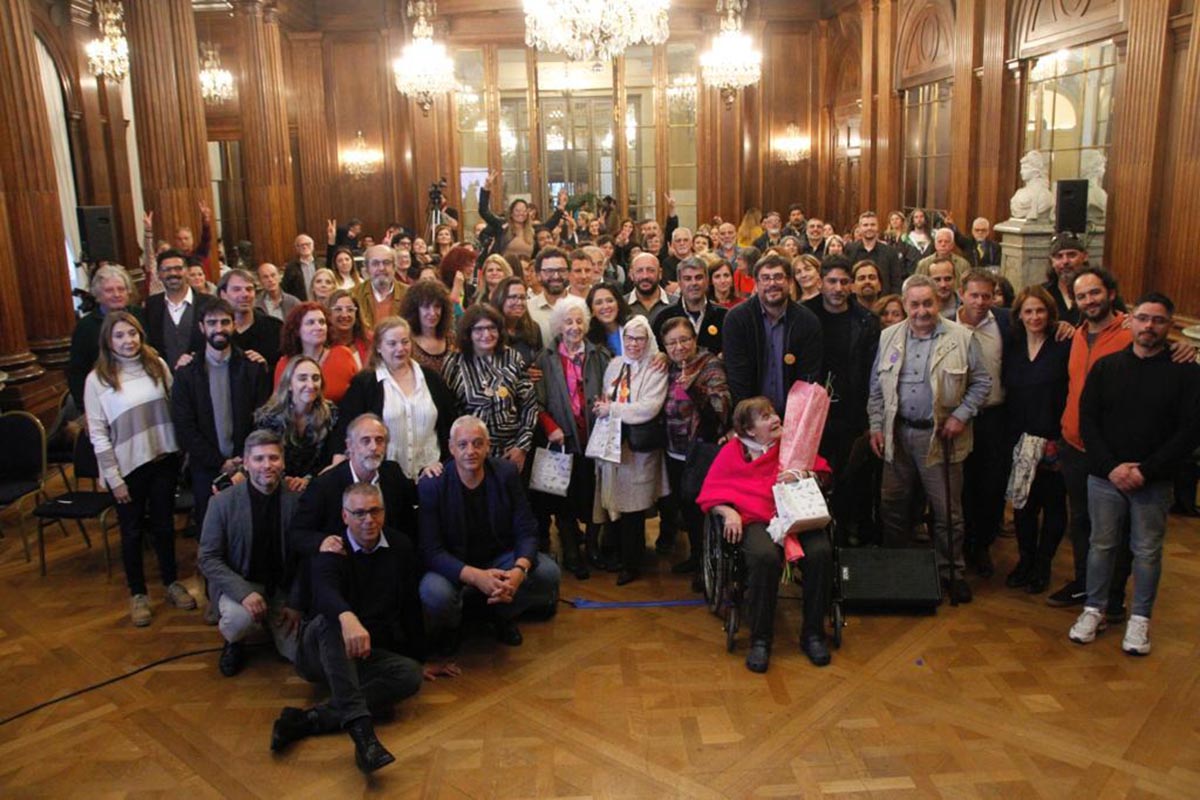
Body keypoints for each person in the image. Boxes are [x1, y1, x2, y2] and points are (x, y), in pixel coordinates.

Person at [273, 482, 454, 772]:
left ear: (384, 512)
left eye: (374, 511)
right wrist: (347, 617)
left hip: (364, 651)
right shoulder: (331, 547)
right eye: (359, 513)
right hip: (320, 651)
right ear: (345, 516)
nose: (368, 520)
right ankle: (364, 736)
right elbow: (325, 594)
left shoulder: (400, 546)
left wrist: (420, 659)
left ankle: (308, 720)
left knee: (409, 675)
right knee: (332, 620)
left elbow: (410, 607)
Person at [1068, 293, 1200, 655]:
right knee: (1101, 545)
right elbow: (1088, 420)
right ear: (1131, 321)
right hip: (1105, 476)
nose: (1149, 326)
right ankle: (1094, 609)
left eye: (1158, 320)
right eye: (1142, 318)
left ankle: (1140, 618)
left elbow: (1190, 431)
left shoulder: (1187, 372)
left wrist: (1146, 470)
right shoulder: (1107, 367)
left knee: (1147, 551)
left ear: (1169, 325)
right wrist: (1111, 467)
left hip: (1153, 480)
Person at [867, 275, 992, 604]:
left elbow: (982, 383)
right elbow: (876, 388)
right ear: (904, 304)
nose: (921, 311)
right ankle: (897, 565)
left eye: (928, 303)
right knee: (892, 505)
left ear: (939, 302)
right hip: (897, 435)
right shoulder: (888, 337)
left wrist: (960, 416)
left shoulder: (961, 338)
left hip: (939, 438)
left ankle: (950, 571)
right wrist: (876, 425)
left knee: (947, 511)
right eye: (915, 304)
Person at [697, 397, 835, 672]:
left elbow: (824, 473)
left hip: (797, 513)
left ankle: (813, 634)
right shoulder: (731, 452)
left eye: (774, 413)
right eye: (765, 417)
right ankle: (760, 640)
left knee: (820, 552)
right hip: (755, 517)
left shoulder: (793, 446)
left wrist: (803, 474)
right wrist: (728, 511)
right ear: (749, 430)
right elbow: (710, 493)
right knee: (764, 557)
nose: (775, 419)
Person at [84, 311, 196, 626]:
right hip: (127, 467)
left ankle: (171, 582)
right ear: (108, 340)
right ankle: (138, 594)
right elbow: (98, 433)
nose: (127, 340)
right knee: (132, 532)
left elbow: (175, 405)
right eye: (119, 335)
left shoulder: (156, 365)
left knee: (164, 526)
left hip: (163, 459)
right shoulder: (97, 379)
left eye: (132, 333)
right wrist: (113, 478)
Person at [418, 416, 562, 647]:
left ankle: (501, 615)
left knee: (548, 574)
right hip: (455, 565)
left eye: (478, 443)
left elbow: (526, 529)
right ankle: (455, 625)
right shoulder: (433, 484)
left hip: (500, 558)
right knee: (433, 593)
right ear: (451, 448)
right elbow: (432, 551)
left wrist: (519, 570)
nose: (470, 451)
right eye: (462, 445)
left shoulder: (506, 473)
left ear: (488, 446)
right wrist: (476, 576)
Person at [197, 430, 301, 677]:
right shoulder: (222, 503)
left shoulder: (297, 500)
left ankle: (270, 622)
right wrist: (243, 593)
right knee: (238, 621)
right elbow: (207, 558)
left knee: (297, 652)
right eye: (258, 459)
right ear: (245, 463)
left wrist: (296, 601)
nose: (267, 465)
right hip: (243, 584)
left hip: (281, 588)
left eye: (273, 458)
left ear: (283, 462)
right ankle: (234, 641)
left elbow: (304, 556)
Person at [171, 299, 271, 528]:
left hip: (249, 465)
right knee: (211, 529)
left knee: (250, 527)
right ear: (201, 327)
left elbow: (262, 420)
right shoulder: (186, 373)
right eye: (212, 323)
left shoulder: (253, 367)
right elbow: (185, 427)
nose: (219, 328)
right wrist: (220, 463)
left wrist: (243, 461)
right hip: (205, 467)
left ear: (234, 325)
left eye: (225, 322)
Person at [533, 296, 612, 578]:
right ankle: (570, 552)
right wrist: (550, 427)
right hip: (561, 440)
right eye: (568, 321)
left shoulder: (599, 355)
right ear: (558, 325)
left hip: (594, 439)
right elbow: (537, 402)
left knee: (594, 497)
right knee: (563, 499)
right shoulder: (545, 359)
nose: (574, 327)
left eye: (579, 321)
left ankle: (592, 547)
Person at [804, 258, 880, 539]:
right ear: (821, 282)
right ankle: (817, 532)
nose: (838, 288)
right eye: (832, 281)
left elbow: (872, 371)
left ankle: (848, 529)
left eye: (844, 282)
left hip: (852, 410)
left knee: (851, 475)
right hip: (812, 412)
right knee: (815, 474)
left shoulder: (866, 321)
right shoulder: (804, 315)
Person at [1002, 286, 1070, 594]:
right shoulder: (1013, 344)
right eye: (1028, 311)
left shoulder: (1063, 343)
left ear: (1050, 312)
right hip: (1019, 438)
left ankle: (1043, 564)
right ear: (1019, 315)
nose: (1034, 317)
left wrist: (1059, 438)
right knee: (1023, 505)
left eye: (1040, 310)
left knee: (1053, 505)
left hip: (1053, 438)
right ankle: (1025, 560)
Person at [592, 315, 669, 586]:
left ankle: (632, 563)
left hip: (639, 448)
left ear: (649, 341)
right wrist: (603, 407)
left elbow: (649, 407)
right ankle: (615, 554)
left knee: (634, 507)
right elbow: (606, 396)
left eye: (640, 338)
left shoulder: (656, 367)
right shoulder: (615, 364)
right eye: (629, 338)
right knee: (614, 501)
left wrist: (611, 409)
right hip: (614, 445)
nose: (634, 343)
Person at [336, 317, 456, 482]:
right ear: (379, 347)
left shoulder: (431, 379)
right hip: (384, 478)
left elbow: (449, 425)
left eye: (405, 342)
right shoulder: (364, 383)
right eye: (392, 344)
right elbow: (347, 428)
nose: (400, 348)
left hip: (431, 475)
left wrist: (445, 463)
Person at [659, 316, 731, 580]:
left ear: (694, 339)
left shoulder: (710, 364)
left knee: (702, 509)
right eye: (672, 343)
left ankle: (709, 565)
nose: (679, 347)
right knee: (685, 507)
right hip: (673, 450)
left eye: (684, 340)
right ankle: (696, 556)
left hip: (702, 451)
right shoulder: (668, 366)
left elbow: (721, 408)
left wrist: (695, 389)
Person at [293, 413, 422, 556]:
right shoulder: (324, 486)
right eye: (365, 441)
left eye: (379, 440)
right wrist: (322, 542)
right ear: (350, 446)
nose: (374, 447)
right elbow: (297, 533)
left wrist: (428, 473)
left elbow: (412, 514)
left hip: (387, 559)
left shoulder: (392, 473)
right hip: (343, 560)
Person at [954, 270, 1013, 577]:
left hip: (995, 417)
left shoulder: (1007, 321)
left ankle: (983, 545)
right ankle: (960, 546)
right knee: (960, 485)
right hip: (956, 419)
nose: (979, 302)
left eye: (986, 296)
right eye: (974, 295)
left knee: (992, 485)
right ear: (961, 294)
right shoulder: (944, 324)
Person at [723, 253, 824, 412]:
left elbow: (808, 377)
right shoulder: (737, 319)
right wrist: (749, 418)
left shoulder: (807, 321)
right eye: (765, 278)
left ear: (790, 281)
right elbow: (737, 376)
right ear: (756, 283)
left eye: (778, 277)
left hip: (794, 415)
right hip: (750, 415)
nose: (772, 283)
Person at [442, 304, 537, 471]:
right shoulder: (455, 362)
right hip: (470, 454)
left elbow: (529, 405)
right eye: (479, 329)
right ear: (468, 333)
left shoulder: (512, 357)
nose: (486, 334)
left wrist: (521, 447)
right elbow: (447, 412)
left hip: (509, 452)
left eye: (492, 328)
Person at [254, 356, 339, 494]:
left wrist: (308, 480)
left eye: (315, 378)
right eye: (302, 378)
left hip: (318, 486)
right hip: (276, 486)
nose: (311, 385)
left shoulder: (331, 414)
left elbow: (330, 460)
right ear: (289, 384)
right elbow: (265, 457)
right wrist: (285, 480)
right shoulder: (268, 417)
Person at [68, 265, 144, 407]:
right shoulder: (85, 327)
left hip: (142, 391)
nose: (117, 294)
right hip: (105, 397)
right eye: (109, 290)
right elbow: (77, 372)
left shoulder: (140, 315)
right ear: (98, 296)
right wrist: (85, 407)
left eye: (121, 289)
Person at [274, 302, 360, 404]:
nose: (319, 327)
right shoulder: (285, 364)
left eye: (322, 322)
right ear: (297, 330)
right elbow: (279, 403)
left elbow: (360, 395)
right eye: (311, 323)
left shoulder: (343, 355)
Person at [144, 249, 214, 372]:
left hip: (203, 375)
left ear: (187, 271)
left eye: (178, 268)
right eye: (167, 269)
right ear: (159, 274)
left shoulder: (209, 303)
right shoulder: (151, 305)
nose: (173, 273)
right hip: (165, 377)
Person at [478, 169, 565, 259]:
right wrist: (486, 188)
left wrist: (561, 207)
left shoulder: (532, 230)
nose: (521, 213)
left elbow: (549, 225)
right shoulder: (503, 226)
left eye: (524, 210)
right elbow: (484, 211)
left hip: (526, 266)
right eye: (517, 210)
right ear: (511, 213)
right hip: (505, 266)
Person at [652, 257, 727, 356]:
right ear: (679, 282)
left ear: (707, 280)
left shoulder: (724, 316)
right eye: (687, 279)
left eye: (698, 277)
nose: (694, 283)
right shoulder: (663, 318)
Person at [219, 268, 283, 371]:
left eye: (249, 289)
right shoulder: (216, 331)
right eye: (237, 289)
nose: (245, 294)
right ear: (223, 294)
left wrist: (265, 368)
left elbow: (287, 370)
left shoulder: (275, 328)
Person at [399, 278, 456, 377]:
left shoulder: (452, 338)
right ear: (414, 309)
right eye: (426, 307)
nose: (432, 313)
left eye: (437, 306)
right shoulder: (406, 341)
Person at [843, 211, 903, 294]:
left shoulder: (890, 252)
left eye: (872, 225)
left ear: (877, 227)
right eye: (865, 225)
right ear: (860, 228)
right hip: (855, 299)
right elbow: (846, 277)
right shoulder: (850, 249)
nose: (869, 228)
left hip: (883, 299)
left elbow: (896, 282)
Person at [352, 244, 408, 333]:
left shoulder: (408, 294)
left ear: (394, 267)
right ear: (367, 268)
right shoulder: (353, 295)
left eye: (386, 263)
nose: (381, 268)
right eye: (375, 263)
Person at [493, 276, 544, 369]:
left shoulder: (533, 328)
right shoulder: (490, 330)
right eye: (513, 297)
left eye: (523, 297)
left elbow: (539, 362)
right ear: (500, 299)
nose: (519, 302)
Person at [526, 246, 571, 344]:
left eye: (561, 270)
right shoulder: (528, 309)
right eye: (549, 271)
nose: (556, 276)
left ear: (569, 273)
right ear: (538, 275)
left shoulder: (581, 306)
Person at [327, 290, 371, 367]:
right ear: (329, 314)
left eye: (350, 310)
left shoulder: (370, 341)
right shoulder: (324, 345)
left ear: (356, 315)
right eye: (338, 309)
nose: (344, 315)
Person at [587, 281, 631, 357]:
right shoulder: (588, 339)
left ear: (618, 304)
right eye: (599, 303)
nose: (605, 306)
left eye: (610, 301)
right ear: (592, 310)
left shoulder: (634, 326)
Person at [281, 234, 319, 301]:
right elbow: (286, 289)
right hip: (301, 304)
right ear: (297, 248)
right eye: (301, 245)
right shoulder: (290, 267)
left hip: (322, 303)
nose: (305, 247)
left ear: (313, 246)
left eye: (308, 244)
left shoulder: (322, 263)